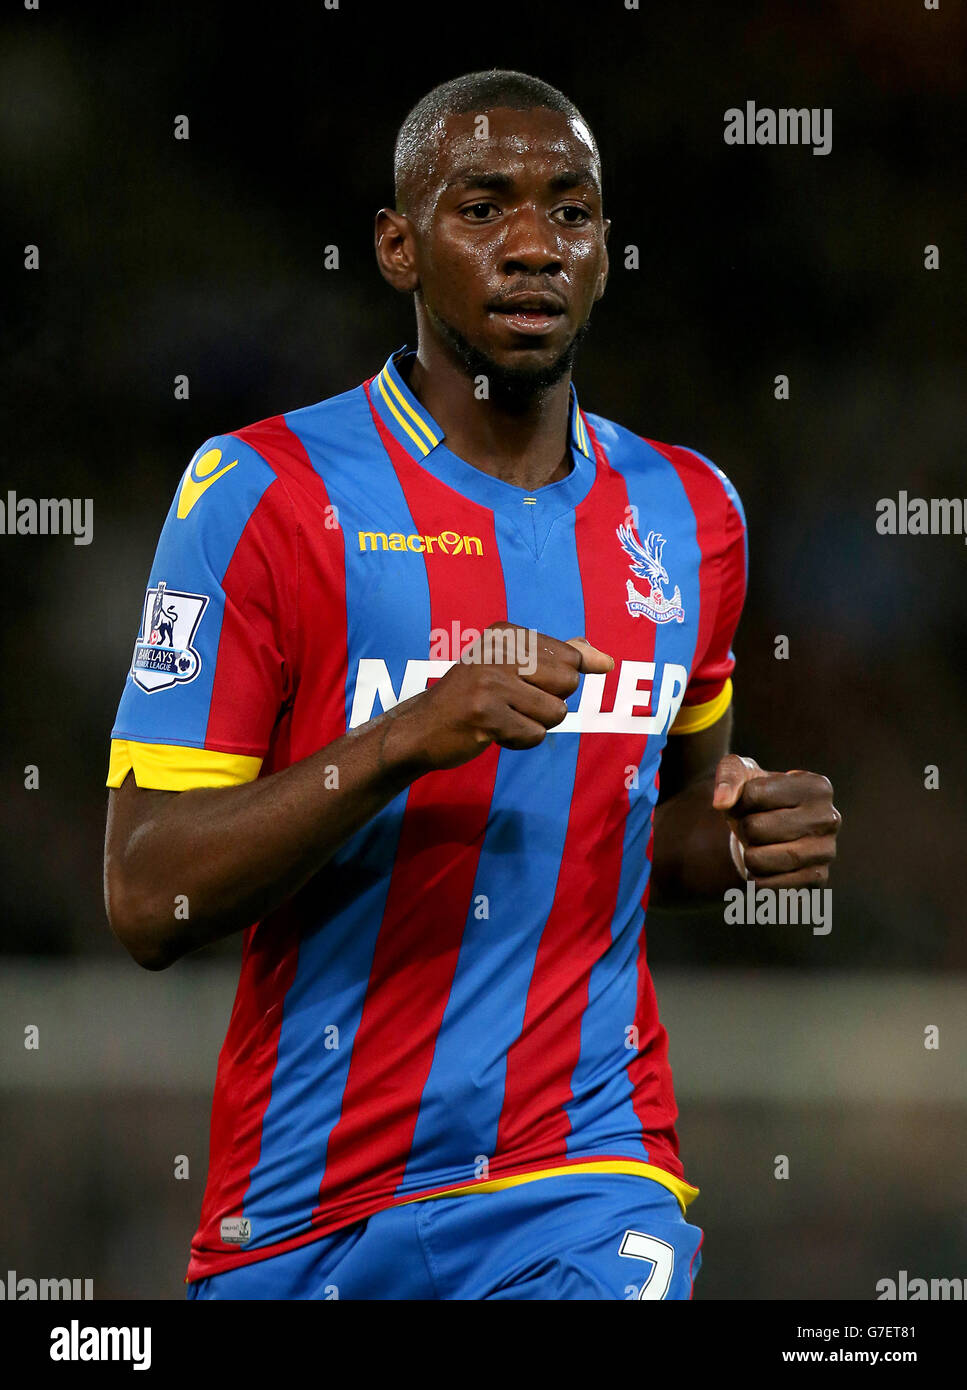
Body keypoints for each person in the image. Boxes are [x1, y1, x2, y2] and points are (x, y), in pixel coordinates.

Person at [104, 69, 841, 1300]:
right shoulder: (263, 494)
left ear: (607, 251)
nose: (533, 247)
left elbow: (653, 833)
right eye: (483, 206)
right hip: (303, 1208)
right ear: (398, 246)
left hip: (582, 1172)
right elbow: (144, 899)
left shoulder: (690, 513)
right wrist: (399, 739)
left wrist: (742, 840)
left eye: (570, 212)